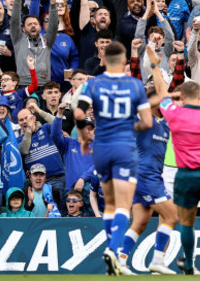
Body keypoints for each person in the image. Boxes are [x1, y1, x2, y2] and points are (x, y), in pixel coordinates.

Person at [75, 41, 153, 276]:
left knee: (109, 202)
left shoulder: (94, 83)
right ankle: (113, 249)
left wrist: (83, 136)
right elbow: (148, 122)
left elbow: (79, 112)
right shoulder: (135, 85)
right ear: (122, 62)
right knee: (123, 203)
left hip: (101, 147)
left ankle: (112, 250)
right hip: (124, 147)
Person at [148, 52, 200, 275]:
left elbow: (162, 92)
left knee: (178, 219)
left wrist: (155, 64)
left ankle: (172, 260)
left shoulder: (174, 113)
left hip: (179, 170)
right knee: (195, 219)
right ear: (199, 97)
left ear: (181, 98)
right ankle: (169, 261)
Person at [117, 82, 179, 275]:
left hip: (147, 177)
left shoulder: (165, 124)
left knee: (140, 222)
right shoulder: (142, 121)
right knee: (172, 216)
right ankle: (158, 260)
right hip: (145, 175)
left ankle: (120, 261)